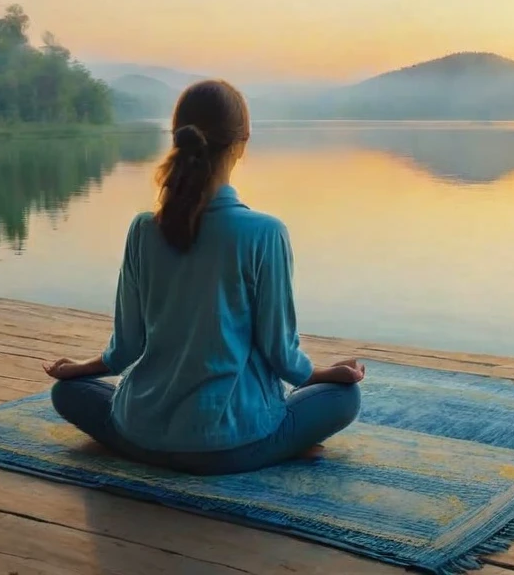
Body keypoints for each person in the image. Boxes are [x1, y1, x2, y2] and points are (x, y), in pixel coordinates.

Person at [42, 79, 364, 475]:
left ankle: (157, 445)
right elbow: (282, 357)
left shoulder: (143, 229)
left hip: (140, 435)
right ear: (242, 142)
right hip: (231, 445)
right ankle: (276, 447)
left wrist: (81, 368)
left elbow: (125, 349)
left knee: (67, 392)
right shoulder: (265, 233)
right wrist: (323, 375)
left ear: (177, 138)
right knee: (344, 398)